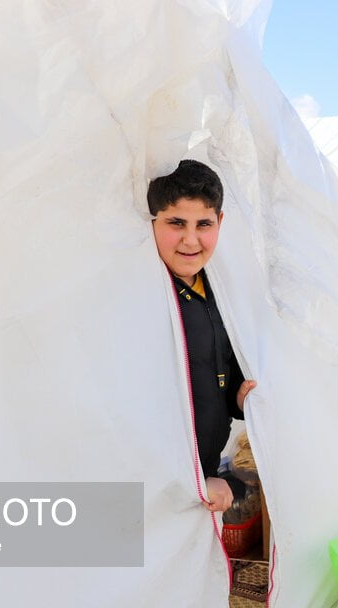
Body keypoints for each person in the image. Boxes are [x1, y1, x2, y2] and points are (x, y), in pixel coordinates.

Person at [148, 159, 256, 513]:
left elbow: (219, 368)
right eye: (176, 223)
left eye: (204, 224)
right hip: (161, 486)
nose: (190, 240)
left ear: (220, 222)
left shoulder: (217, 287)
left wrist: (240, 400)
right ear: (151, 221)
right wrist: (190, 479)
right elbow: (132, 414)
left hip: (204, 482)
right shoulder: (144, 295)